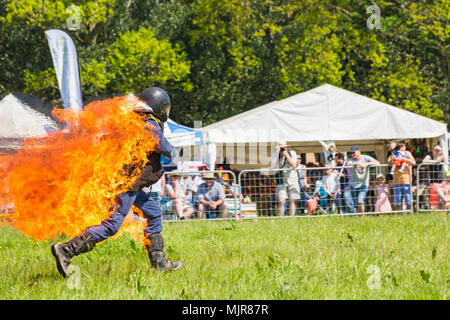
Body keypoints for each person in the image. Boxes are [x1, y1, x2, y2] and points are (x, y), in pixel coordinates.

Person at [51, 87, 183, 276]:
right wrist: (175, 151)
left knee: (153, 213)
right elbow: (162, 145)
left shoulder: (130, 120)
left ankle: (159, 262)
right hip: (125, 184)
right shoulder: (147, 123)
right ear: (157, 105)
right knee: (111, 226)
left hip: (129, 183)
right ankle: (67, 249)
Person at [269, 141, 300, 216]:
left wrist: (286, 155)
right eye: (281, 148)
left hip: (292, 179)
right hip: (280, 179)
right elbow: (272, 167)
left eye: (284, 147)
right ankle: (281, 218)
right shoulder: (274, 155)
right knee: (281, 200)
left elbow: (294, 165)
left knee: (292, 200)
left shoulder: (292, 153)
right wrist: (277, 154)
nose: (283, 149)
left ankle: (292, 218)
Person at [347, 146, 380, 214]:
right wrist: (357, 163)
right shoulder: (351, 159)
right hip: (354, 184)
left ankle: (363, 216)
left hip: (364, 183)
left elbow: (377, 162)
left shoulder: (366, 157)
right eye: (351, 153)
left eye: (354, 152)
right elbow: (348, 164)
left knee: (360, 200)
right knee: (355, 203)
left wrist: (366, 164)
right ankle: (358, 217)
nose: (353, 154)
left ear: (359, 151)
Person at [389, 142, 416, 211]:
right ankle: (400, 218)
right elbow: (389, 161)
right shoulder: (394, 154)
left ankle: (410, 217)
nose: (393, 151)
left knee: (409, 202)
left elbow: (414, 162)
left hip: (406, 181)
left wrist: (404, 159)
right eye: (391, 150)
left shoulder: (407, 153)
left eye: (393, 149)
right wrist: (393, 157)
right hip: (396, 182)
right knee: (398, 203)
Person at [422, 145, 448, 209]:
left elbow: (443, 159)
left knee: (440, 200)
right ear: (432, 150)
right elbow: (424, 161)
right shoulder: (429, 156)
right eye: (436, 150)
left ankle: (441, 213)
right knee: (443, 198)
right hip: (433, 181)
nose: (437, 151)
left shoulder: (441, 156)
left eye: (439, 150)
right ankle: (447, 200)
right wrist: (435, 162)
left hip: (442, 180)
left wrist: (441, 153)